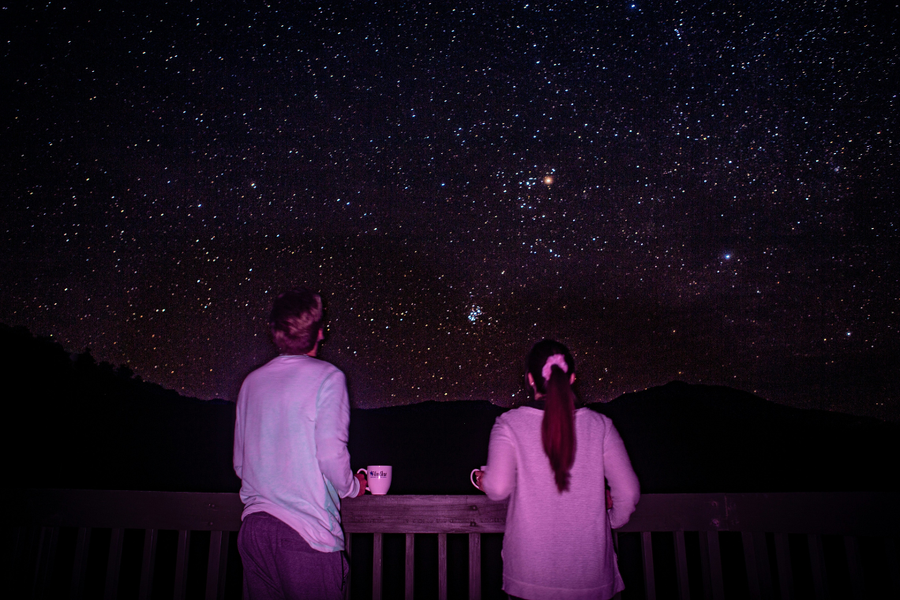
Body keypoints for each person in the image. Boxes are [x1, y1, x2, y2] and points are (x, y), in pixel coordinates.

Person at [475, 340, 640, 600]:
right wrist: (610, 521)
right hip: (592, 576)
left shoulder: (510, 424)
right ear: (572, 378)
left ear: (530, 379)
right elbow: (628, 492)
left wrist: (483, 480)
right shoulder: (601, 426)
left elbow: (498, 488)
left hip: (530, 577)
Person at [233, 288, 366, 600]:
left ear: (277, 333)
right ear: (319, 332)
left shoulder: (251, 382)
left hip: (255, 531)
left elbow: (241, 463)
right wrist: (354, 487)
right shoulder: (328, 377)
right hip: (306, 536)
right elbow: (331, 454)